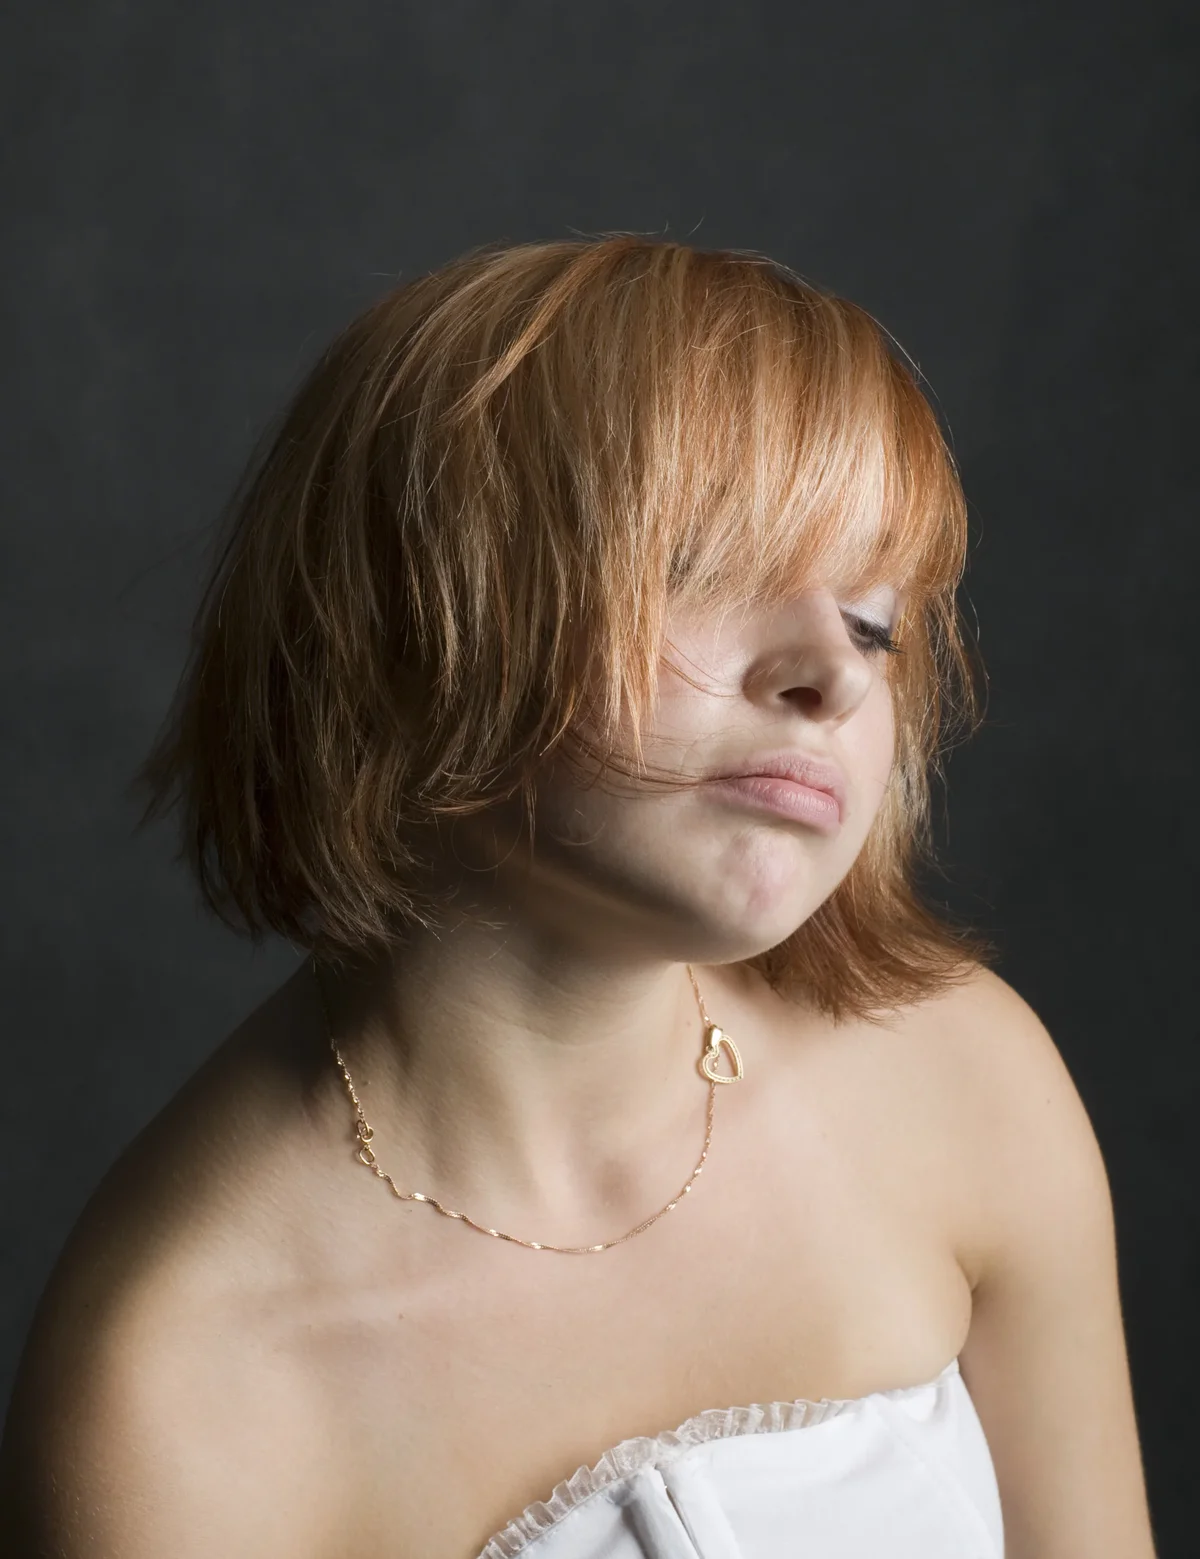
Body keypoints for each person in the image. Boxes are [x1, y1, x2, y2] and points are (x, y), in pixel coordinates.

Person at [0, 236, 1157, 1558]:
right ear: (416, 610)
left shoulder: (961, 1073)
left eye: (874, 623)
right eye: (709, 563)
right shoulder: (183, 1391)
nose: (830, 678)